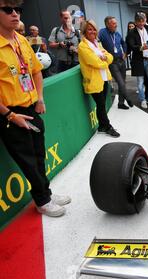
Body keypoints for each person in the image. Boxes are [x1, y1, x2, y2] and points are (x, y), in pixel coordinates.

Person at [0, 0, 71, 217]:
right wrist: (10, 115)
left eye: (18, 10)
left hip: (31, 107)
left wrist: (40, 98)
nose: (15, 14)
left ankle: (46, 192)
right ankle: (42, 201)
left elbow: (36, 71)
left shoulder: (21, 40)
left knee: (39, 155)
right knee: (28, 160)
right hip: (10, 112)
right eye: (8, 10)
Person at [78, 20, 120, 138]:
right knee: (101, 104)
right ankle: (107, 126)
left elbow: (110, 56)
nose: (92, 31)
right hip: (93, 80)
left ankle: (102, 126)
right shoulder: (82, 46)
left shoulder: (97, 43)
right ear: (85, 31)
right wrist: (104, 60)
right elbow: (95, 62)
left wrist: (104, 58)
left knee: (101, 105)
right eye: (89, 29)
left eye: (94, 29)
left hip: (103, 78)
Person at [98, 16, 133, 110]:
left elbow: (123, 43)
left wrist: (125, 53)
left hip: (121, 61)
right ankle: (128, 99)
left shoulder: (117, 33)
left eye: (116, 23)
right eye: (113, 23)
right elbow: (96, 44)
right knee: (120, 83)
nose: (116, 25)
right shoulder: (102, 33)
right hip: (112, 63)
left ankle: (121, 103)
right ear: (107, 24)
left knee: (123, 83)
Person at [127, 12, 148, 109]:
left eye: (143, 21)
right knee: (140, 82)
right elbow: (132, 46)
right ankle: (143, 100)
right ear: (135, 22)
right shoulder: (132, 32)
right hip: (139, 60)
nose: (141, 23)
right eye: (139, 21)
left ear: (145, 20)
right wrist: (142, 47)